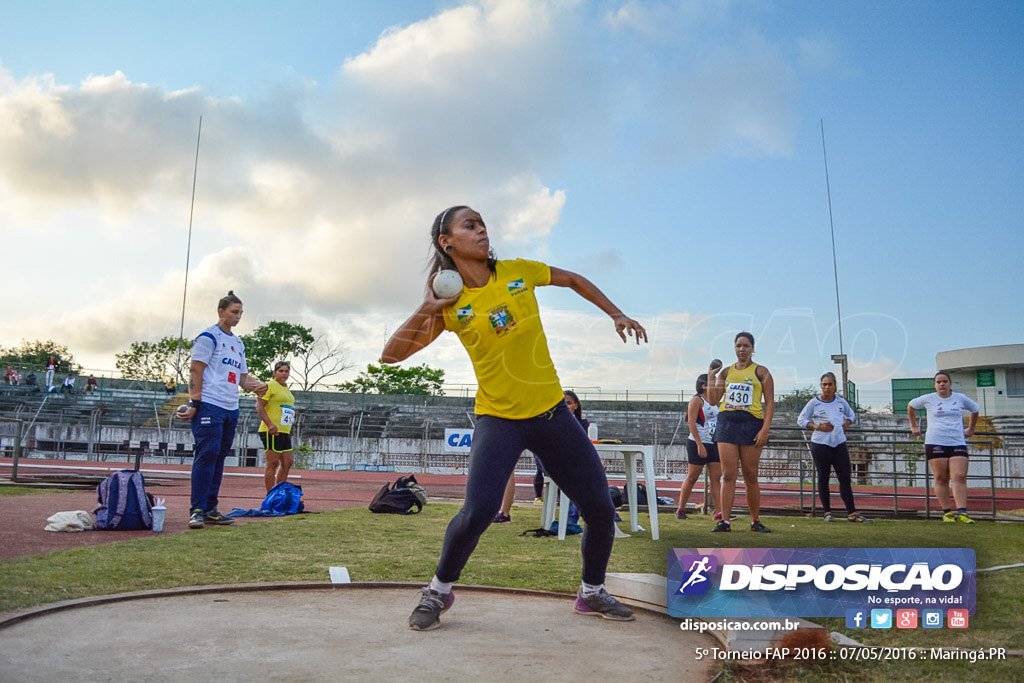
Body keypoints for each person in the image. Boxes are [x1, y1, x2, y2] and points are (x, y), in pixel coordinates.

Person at [382, 205, 647, 630]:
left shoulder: (518, 272)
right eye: (470, 225)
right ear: (446, 242)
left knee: (599, 506)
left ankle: (591, 592)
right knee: (478, 511)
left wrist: (615, 312)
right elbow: (390, 356)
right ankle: (438, 591)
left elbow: (574, 279)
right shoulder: (450, 304)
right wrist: (427, 307)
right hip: (499, 419)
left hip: (552, 414)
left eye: (483, 223)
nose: (482, 229)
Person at [177, 291, 267, 529]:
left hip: (230, 406)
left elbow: (242, 378)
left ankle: (210, 508)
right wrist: (194, 402)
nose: (238, 317)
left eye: (240, 313)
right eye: (234, 312)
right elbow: (196, 369)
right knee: (207, 454)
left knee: (219, 457)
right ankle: (196, 509)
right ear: (221, 312)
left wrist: (259, 386)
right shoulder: (208, 337)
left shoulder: (238, 343)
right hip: (209, 404)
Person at [706, 332, 775, 533]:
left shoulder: (762, 372)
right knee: (728, 474)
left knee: (751, 475)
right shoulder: (726, 372)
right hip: (727, 422)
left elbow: (770, 402)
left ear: (753, 348)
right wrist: (711, 376)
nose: (741, 349)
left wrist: (765, 429)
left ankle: (755, 521)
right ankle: (725, 521)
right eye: (738, 346)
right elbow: (712, 400)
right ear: (734, 348)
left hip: (751, 423)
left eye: (745, 346)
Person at [907, 371, 980, 523]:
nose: (942, 384)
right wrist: (914, 426)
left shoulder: (960, 398)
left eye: (945, 381)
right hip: (935, 442)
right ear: (934, 385)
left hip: (957, 441)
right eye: (939, 382)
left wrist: (971, 429)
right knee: (941, 477)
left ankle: (962, 512)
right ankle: (947, 512)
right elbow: (911, 406)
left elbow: (975, 409)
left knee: (959, 476)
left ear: (950, 384)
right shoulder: (928, 399)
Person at [797, 373, 869, 523]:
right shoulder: (813, 403)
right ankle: (827, 512)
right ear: (821, 386)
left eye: (830, 384)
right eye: (824, 384)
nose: (827, 388)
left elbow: (851, 415)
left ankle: (852, 512)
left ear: (835, 386)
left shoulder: (841, 402)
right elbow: (801, 420)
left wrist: (844, 426)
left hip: (839, 444)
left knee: (845, 478)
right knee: (823, 478)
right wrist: (817, 426)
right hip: (821, 445)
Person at [675, 374, 723, 521]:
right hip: (698, 443)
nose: (715, 386)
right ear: (703, 386)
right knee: (692, 477)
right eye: (711, 383)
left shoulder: (715, 402)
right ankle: (680, 509)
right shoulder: (697, 400)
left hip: (714, 443)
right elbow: (691, 423)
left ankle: (720, 512)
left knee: (716, 478)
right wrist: (699, 444)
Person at [256, 361, 297, 493]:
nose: (284, 374)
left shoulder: (286, 388)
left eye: (286, 371)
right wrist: (270, 424)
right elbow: (259, 406)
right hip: (271, 430)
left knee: (287, 462)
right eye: (281, 371)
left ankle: (279, 492)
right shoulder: (269, 386)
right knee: (272, 463)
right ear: (275, 373)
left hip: (284, 430)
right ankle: (270, 496)